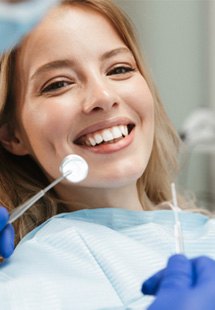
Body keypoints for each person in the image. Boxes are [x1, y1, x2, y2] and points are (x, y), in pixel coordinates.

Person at [0, 0, 215, 308]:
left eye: (119, 69)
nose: (103, 97)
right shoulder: (35, 273)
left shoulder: (204, 230)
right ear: (12, 135)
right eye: (58, 84)